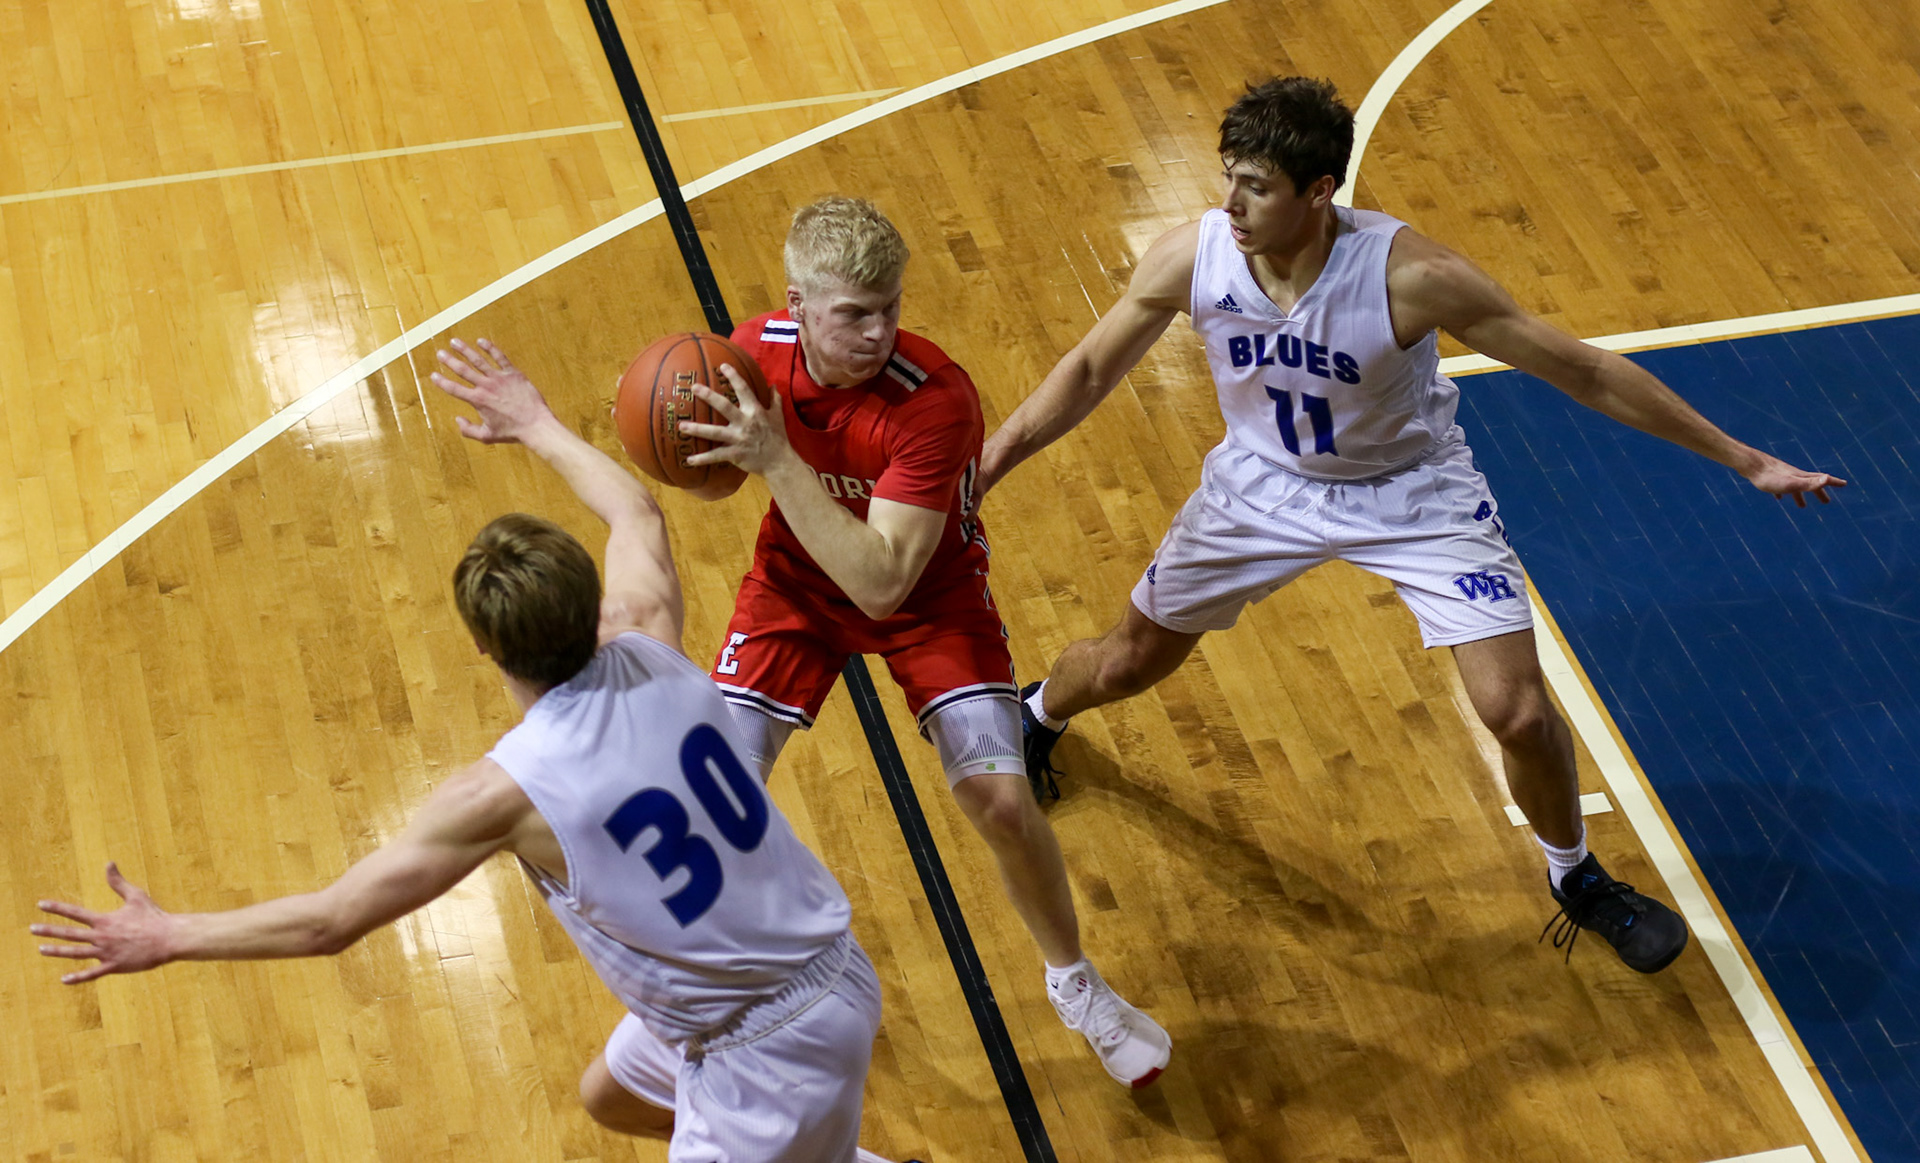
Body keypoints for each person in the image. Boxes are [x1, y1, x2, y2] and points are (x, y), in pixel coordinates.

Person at [976, 77, 1847, 975]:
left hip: (1411, 494)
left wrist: (1746, 458)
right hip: (1259, 488)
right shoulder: (1191, 256)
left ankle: (1575, 875)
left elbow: (1583, 371)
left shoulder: (1412, 276)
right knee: (1128, 661)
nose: (1230, 204)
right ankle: (1037, 712)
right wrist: (994, 459)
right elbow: (1085, 371)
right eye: (1229, 178)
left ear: (1320, 192)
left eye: (1258, 187)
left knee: (1515, 710)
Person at [30, 338, 920, 1163]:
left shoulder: (506, 793)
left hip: (758, 1051)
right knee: (609, 1093)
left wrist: (168, 934)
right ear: (588, 598)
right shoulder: (649, 633)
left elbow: (331, 921)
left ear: (487, 650)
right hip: (825, 977)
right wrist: (533, 421)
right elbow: (635, 508)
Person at [677, 196, 1170, 1086]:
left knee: (1002, 802)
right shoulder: (749, 355)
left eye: (892, 307)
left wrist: (777, 459)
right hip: (793, 588)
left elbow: (882, 580)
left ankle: (1076, 982)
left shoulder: (933, 401)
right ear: (796, 305)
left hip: (927, 597)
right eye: (854, 314)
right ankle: (743, 998)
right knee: (713, 805)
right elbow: (687, 454)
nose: (879, 332)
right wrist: (694, 451)